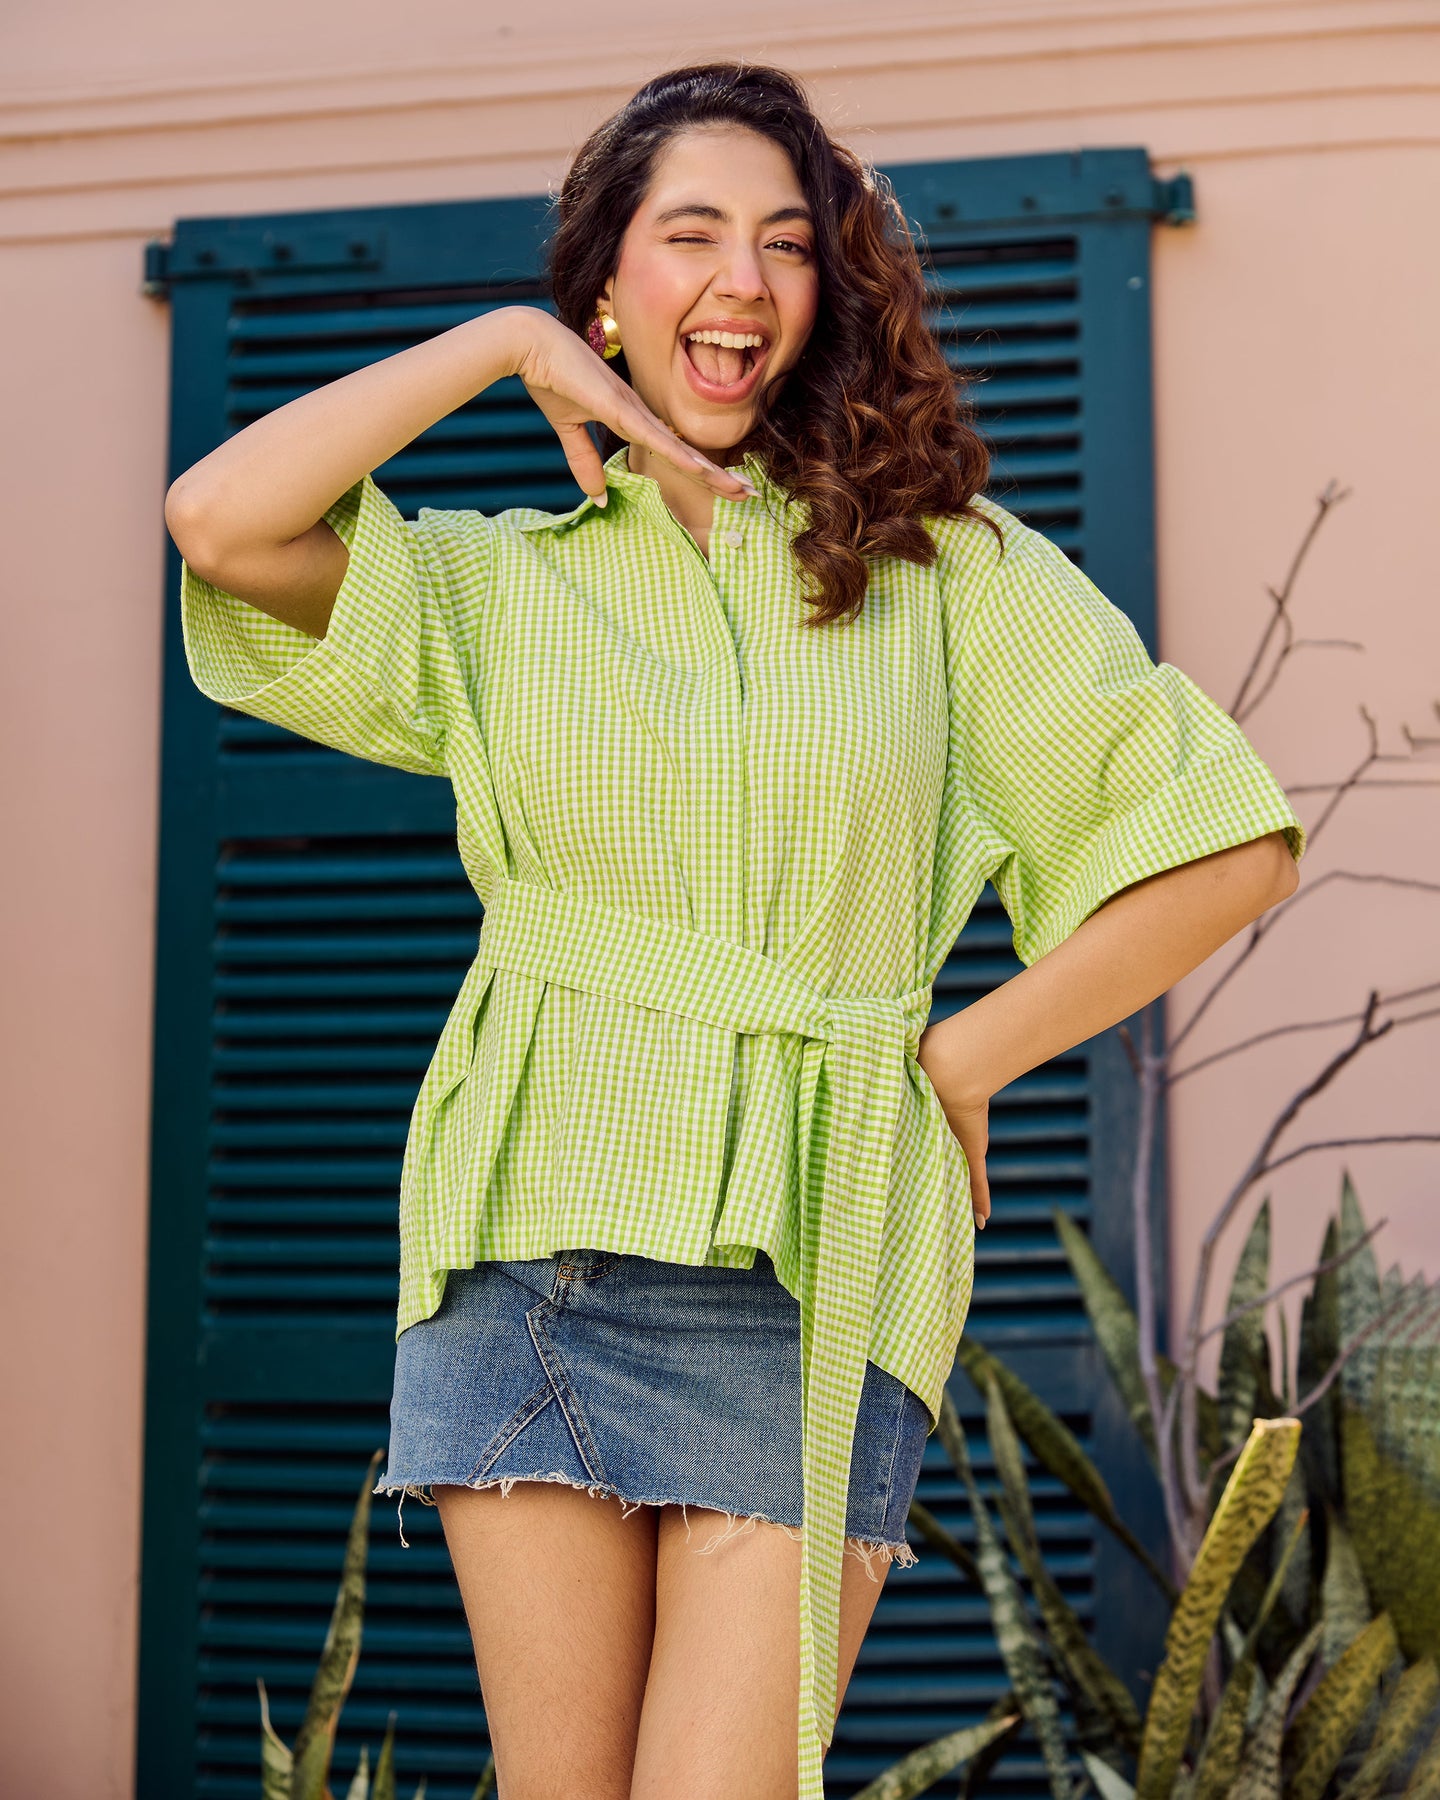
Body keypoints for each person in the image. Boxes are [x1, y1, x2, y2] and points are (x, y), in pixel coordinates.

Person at [165, 60, 1305, 1800]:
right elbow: (218, 521)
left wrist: (964, 1056)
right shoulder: (495, 585)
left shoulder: (948, 573)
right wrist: (498, 341)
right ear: (607, 294)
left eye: (786, 243)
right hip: (522, 1253)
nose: (744, 280)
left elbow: (1228, 843)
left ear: (825, 294)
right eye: (690, 235)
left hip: (810, 1266)